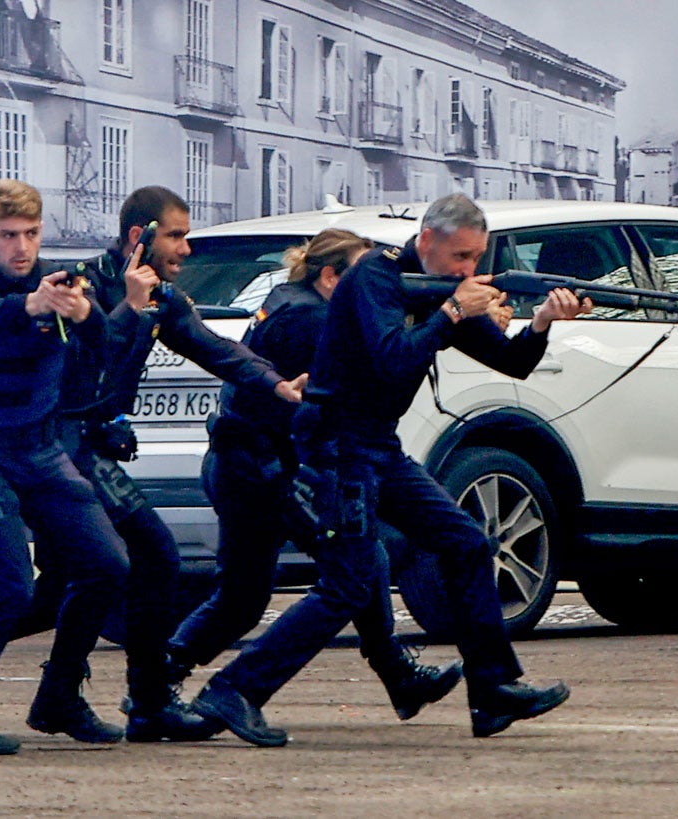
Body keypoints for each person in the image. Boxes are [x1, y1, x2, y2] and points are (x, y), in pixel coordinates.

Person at [0, 185, 307, 743]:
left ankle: (19, 677)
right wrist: (54, 305)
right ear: (142, 236)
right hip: (24, 446)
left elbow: (212, 348)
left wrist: (277, 384)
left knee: (104, 567)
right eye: (176, 236)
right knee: (60, 575)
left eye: (31, 235)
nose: (185, 249)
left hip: (54, 449)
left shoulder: (104, 291)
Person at [191, 193, 588, 746]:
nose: (467, 269)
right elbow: (391, 358)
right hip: (335, 447)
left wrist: (544, 321)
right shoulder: (372, 278)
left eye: (475, 259)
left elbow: (512, 360)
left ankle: (493, 688)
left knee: (468, 543)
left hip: (377, 446)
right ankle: (234, 690)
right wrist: (453, 311)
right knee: (350, 584)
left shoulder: (438, 288)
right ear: (427, 241)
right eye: (460, 257)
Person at [167, 228, 464, 722]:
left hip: (255, 464)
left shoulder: (297, 301)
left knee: (339, 566)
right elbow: (375, 378)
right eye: (361, 282)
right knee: (343, 567)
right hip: (261, 469)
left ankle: (397, 674)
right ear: (331, 277)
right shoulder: (311, 318)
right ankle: (172, 680)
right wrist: (442, 320)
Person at [0, 178, 131, 755]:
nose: (21, 247)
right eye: (9, 235)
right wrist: (29, 304)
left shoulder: (60, 284)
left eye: (31, 234)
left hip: (38, 451)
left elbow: (107, 343)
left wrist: (85, 313)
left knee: (108, 566)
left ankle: (59, 697)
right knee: (10, 586)